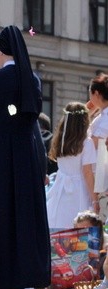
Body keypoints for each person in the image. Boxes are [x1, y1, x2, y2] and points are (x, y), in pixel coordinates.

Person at [0, 25, 50, 289]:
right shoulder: (33, 79)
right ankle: (23, 278)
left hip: (1, 154)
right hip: (27, 153)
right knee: (23, 215)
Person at [46, 102, 96, 230]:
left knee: (58, 224)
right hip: (78, 190)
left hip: (60, 188)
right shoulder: (86, 143)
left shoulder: (60, 141)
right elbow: (87, 172)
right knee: (77, 228)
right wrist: (95, 199)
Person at [88, 74, 108, 221]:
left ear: (96, 93)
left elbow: (91, 144)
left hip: (101, 172)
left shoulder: (105, 118)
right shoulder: (101, 115)